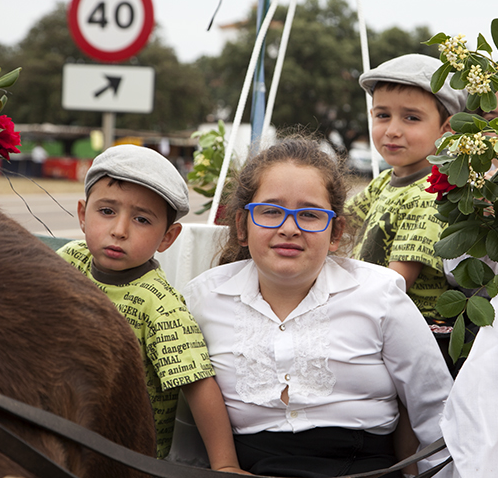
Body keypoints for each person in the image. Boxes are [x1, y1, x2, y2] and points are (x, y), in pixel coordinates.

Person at [184, 138, 453, 478]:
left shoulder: (380, 294)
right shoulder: (202, 300)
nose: (289, 228)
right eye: (271, 211)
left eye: (310, 215)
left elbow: (435, 408)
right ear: (242, 225)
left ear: (336, 231)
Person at [56, 144, 243, 471]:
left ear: (167, 238)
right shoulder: (69, 260)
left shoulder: (160, 304)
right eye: (107, 211)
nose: (119, 231)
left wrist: (225, 465)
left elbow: (197, 384)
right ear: (82, 215)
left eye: (142, 219)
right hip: (58, 429)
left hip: (122, 457)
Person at [344, 54, 468, 361]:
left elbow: (397, 280)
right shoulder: (385, 181)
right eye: (383, 115)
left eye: (411, 118)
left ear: (446, 129)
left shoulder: (430, 193)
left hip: (412, 334)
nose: (392, 130)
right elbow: (336, 224)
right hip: (374, 316)